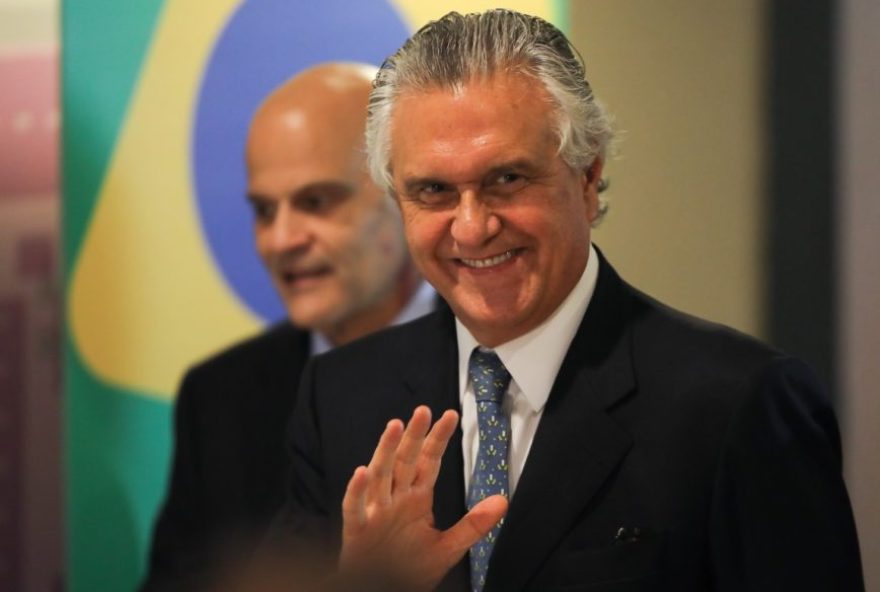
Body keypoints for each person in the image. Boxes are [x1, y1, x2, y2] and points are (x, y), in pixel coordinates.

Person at [282, 10, 864, 592]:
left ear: (587, 179)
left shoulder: (738, 405)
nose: (471, 227)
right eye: (433, 191)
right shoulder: (338, 401)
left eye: (506, 179)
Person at [141, 62, 434, 591]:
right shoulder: (219, 400)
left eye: (315, 202)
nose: (280, 241)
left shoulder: (496, 364)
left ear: (403, 192)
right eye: (263, 210)